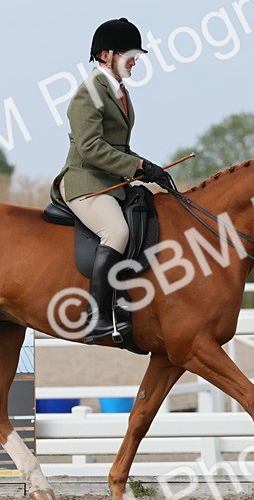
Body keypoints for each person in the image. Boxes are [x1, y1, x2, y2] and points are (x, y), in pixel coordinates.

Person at [54, 17, 173, 343]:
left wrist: (145, 169)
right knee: (116, 231)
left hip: (110, 182)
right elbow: (91, 149)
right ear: (107, 55)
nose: (135, 60)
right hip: (85, 181)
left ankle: (127, 307)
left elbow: (117, 146)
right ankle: (97, 317)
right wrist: (139, 166)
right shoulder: (87, 94)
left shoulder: (116, 90)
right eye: (129, 54)